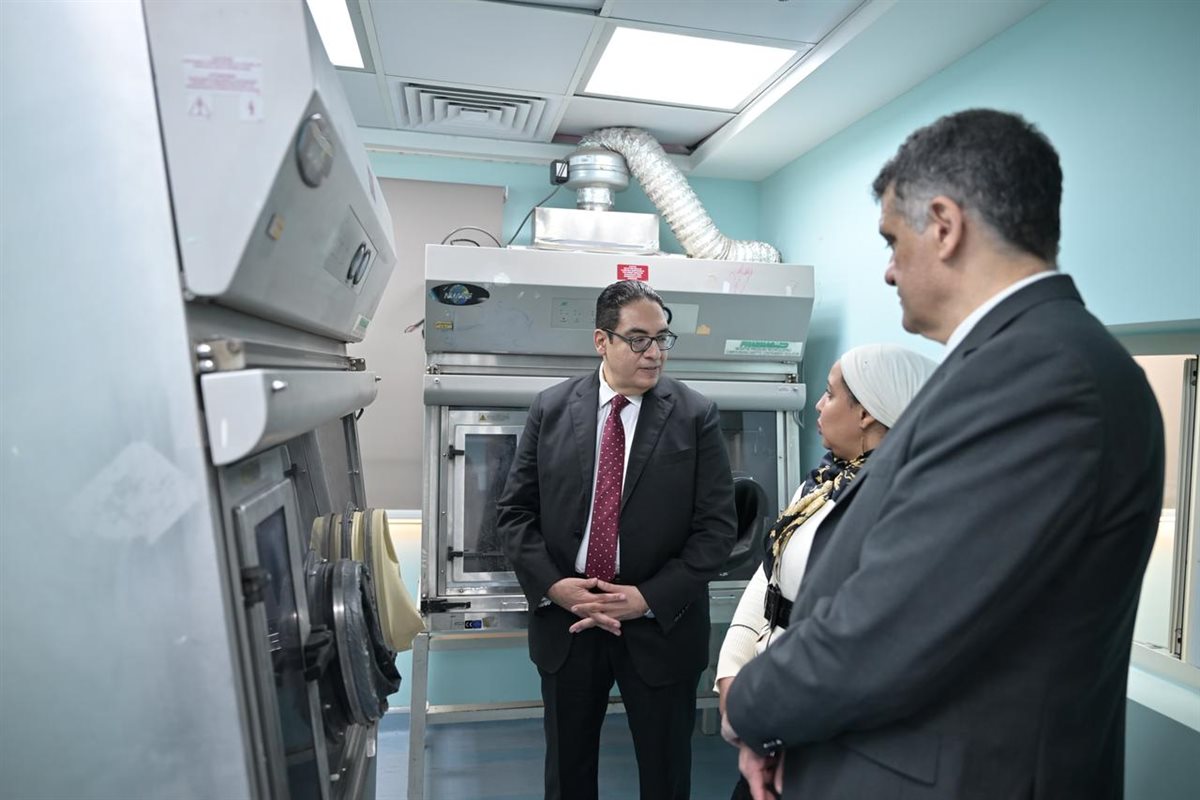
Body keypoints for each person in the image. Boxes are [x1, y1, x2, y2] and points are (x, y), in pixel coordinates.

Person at [725, 108, 1165, 800]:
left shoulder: (1039, 377)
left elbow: (889, 626)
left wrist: (750, 707)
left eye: (892, 241)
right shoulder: (1009, 365)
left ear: (944, 225)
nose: (888, 272)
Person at [498, 279, 737, 800]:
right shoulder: (551, 408)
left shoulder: (695, 415)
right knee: (568, 775)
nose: (655, 353)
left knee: (665, 776)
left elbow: (717, 529)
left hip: (659, 626)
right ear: (601, 341)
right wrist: (556, 586)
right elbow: (514, 514)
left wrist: (647, 597)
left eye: (662, 338)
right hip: (570, 622)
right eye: (638, 339)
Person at [716, 343, 937, 800]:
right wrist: (731, 672)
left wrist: (770, 709)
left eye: (831, 394)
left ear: (867, 413)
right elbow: (769, 581)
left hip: (822, 721)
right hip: (772, 698)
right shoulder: (820, 484)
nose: (817, 405)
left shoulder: (898, 505)